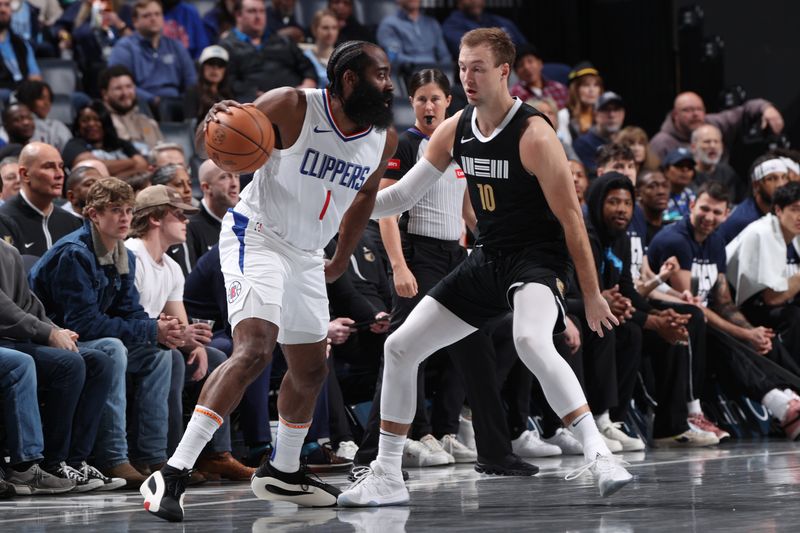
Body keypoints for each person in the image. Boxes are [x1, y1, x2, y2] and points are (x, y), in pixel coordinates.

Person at [337, 28, 631, 507]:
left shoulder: (535, 134)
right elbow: (405, 195)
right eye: (461, 67)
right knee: (399, 348)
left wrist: (592, 293)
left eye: (476, 67)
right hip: (488, 257)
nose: (467, 77)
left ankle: (598, 453)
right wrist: (350, 201)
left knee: (531, 339)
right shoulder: (456, 128)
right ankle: (387, 474)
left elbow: (573, 220)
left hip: (537, 257)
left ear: (502, 71)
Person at [140, 39, 398, 522]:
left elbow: (364, 196)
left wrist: (340, 257)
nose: (389, 85)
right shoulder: (293, 105)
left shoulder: (383, 136)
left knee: (312, 367)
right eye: (380, 75)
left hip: (306, 254)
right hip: (255, 236)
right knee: (255, 349)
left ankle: (282, 470)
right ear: (348, 79)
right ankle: (172, 471)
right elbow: (212, 144)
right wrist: (213, 122)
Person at [29, 177, 183, 488]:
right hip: (53, 337)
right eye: (115, 210)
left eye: (128, 210)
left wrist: (157, 331)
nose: (125, 217)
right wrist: (149, 328)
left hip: (85, 334)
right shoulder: (75, 253)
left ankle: (152, 455)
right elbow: (83, 324)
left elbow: (130, 311)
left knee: (161, 354)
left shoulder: (121, 251)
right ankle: (113, 457)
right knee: (112, 348)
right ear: (93, 214)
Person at [648, 181, 800, 440]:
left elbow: (724, 303)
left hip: (706, 321)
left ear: (727, 214)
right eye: (704, 209)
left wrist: (753, 333)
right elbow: (692, 306)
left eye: (717, 213)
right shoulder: (676, 240)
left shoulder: (715, 242)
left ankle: (790, 399)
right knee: (720, 335)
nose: (709, 217)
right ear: (692, 205)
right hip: (672, 321)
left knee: (763, 337)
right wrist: (744, 335)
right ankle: (780, 405)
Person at [126, 184, 253, 480]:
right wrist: (179, 339)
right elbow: (128, 313)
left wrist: (193, 345)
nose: (186, 222)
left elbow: (180, 324)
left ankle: (214, 453)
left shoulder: (171, 266)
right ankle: (165, 455)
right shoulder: (132, 254)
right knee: (168, 358)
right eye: (179, 216)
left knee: (218, 357)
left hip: (158, 339)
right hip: (132, 339)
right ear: (156, 218)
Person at [0, 239, 124, 492]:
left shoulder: (8, 250)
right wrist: (47, 333)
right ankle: (36, 464)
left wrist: (57, 331)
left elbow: (28, 305)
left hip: (16, 339)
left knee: (98, 361)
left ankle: (74, 461)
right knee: (65, 364)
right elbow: (4, 309)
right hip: (7, 342)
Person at [726, 181, 800, 355]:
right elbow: (771, 299)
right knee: (794, 316)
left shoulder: (792, 232)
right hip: (733, 309)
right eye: (795, 209)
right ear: (778, 210)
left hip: (760, 304)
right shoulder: (762, 233)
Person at [219, 0, 316, 103]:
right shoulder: (227, 46)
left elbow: (307, 67)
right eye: (252, 11)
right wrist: (254, 94)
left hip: (295, 101)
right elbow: (228, 82)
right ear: (238, 15)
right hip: (254, 106)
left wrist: (308, 84)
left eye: (262, 11)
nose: (258, 16)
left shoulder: (282, 40)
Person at [108, 0, 197, 109]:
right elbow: (118, 85)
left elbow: (191, 80)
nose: (153, 18)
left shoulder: (176, 46)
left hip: (178, 103)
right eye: (146, 16)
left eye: (157, 14)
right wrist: (152, 100)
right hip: (141, 105)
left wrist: (187, 100)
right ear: (135, 21)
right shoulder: (124, 48)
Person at [649, 91, 784, 161]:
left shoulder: (713, 123)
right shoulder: (661, 143)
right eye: (688, 110)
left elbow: (744, 110)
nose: (695, 114)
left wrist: (767, 109)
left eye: (699, 109)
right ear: (675, 115)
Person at [0, 142, 82, 257]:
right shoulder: (4, 220)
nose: (60, 174)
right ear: (25, 174)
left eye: (61, 166)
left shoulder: (72, 222)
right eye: (49, 166)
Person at [61, 100, 149, 178]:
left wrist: (111, 177)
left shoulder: (121, 143)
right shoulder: (73, 145)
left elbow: (142, 165)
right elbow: (91, 167)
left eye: (97, 119)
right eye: (85, 120)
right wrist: (131, 162)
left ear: (105, 122)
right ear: (78, 125)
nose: (91, 124)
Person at [718, 155, 789, 244]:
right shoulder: (744, 221)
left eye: (784, 177)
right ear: (756, 185)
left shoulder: (784, 212)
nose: (780, 184)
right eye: (771, 179)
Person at [100, 65, 164, 157]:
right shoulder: (99, 124)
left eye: (129, 87)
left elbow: (164, 153)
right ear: (105, 94)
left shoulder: (148, 123)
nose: (125, 93)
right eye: (118, 88)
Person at [376, 0, 451, 78]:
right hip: (408, 77)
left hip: (436, 76)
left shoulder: (432, 23)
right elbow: (395, 58)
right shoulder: (389, 24)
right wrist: (427, 65)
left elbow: (445, 56)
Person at [186, 158, 239, 263]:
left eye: (236, 176)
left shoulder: (244, 220)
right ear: (206, 187)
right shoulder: (190, 228)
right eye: (224, 177)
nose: (234, 184)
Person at [441, 0, 527, 58]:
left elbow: (526, 48)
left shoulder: (501, 21)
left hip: (516, 65)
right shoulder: (452, 25)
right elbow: (472, 52)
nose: (475, 1)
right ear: (458, 2)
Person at [573, 91, 625, 175]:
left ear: (623, 114)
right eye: (606, 110)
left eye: (616, 109)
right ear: (595, 114)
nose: (612, 115)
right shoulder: (583, 143)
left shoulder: (627, 140)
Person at [13, 80, 73, 151]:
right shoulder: (18, 125)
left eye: (49, 99)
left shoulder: (58, 126)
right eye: (41, 98)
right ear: (28, 99)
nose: (47, 103)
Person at [689, 123, 742, 203]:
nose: (713, 146)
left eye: (716, 141)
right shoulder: (687, 174)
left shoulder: (728, 172)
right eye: (707, 142)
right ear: (693, 147)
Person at [0, 0, 41, 95]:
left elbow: (35, 76)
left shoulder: (21, 44)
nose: (2, 9)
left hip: (22, 95)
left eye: (7, 5)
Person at [509, 44, 568, 110]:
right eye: (520, 65)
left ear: (540, 63)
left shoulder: (559, 89)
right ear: (516, 72)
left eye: (530, 61)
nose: (526, 67)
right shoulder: (513, 95)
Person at [184, 44, 233, 123]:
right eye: (211, 63)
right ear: (202, 67)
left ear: (225, 70)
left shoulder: (229, 94)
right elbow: (189, 127)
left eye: (220, 64)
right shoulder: (193, 92)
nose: (215, 68)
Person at [566, 62, 602, 139]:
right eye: (586, 85)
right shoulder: (565, 115)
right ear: (575, 90)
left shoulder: (605, 114)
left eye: (596, 85)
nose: (592, 90)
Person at [304, 9, 338, 88]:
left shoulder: (342, 57)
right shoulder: (305, 57)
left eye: (334, 28)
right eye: (325, 28)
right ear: (314, 29)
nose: (330, 33)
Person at [661, 147, 697, 223]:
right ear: (666, 170)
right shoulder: (657, 196)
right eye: (679, 165)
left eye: (689, 167)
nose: (685, 170)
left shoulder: (695, 197)